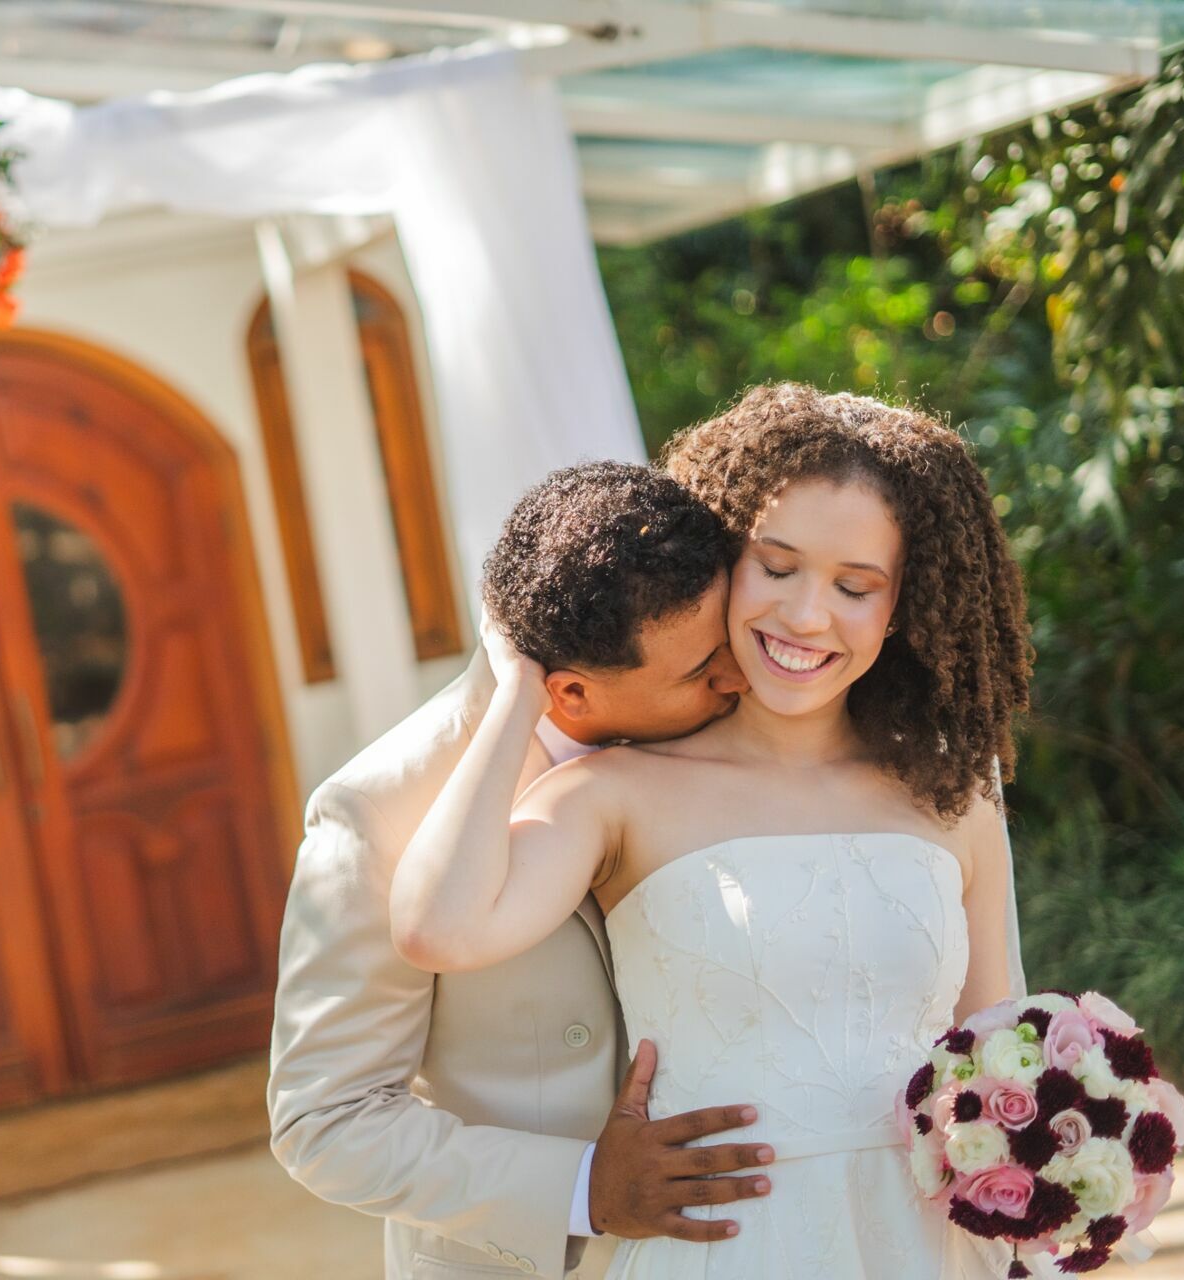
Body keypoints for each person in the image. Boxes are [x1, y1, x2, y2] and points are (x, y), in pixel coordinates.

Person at [391, 384, 1034, 1278]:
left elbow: (1001, 1049)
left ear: (905, 604)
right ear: (726, 561)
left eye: (855, 587)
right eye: (776, 567)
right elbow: (439, 926)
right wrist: (519, 684)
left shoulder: (952, 790)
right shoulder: (616, 792)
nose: (806, 616)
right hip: (726, 1250)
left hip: (929, 1248)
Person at [270, 462, 777, 1280]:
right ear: (569, 693)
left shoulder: (745, 729)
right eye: (699, 669)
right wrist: (582, 1188)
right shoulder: (373, 816)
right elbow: (325, 1123)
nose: (737, 675)